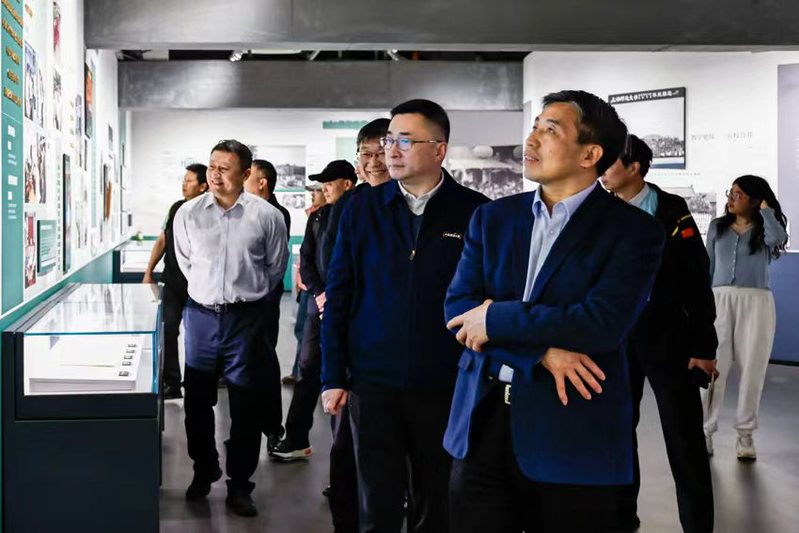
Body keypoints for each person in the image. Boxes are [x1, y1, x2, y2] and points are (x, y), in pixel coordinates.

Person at [443, 90, 665, 533]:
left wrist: (495, 318)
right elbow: (459, 309)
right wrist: (539, 353)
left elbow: (600, 324)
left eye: (550, 130)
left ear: (590, 154)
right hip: (483, 426)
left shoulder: (634, 231)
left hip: (572, 435)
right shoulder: (493, 218)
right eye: (534, 127)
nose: (531, 140)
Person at [321, 99, 489, 532]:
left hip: (445, 382)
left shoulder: (476, 211)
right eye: (388, 140)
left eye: (405, 141)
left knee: (437, 499)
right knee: (376, 500)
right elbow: (339, 296)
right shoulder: (359, 208)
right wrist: (333, 375)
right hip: (372, 382)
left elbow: (487, 299)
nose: (391, 151)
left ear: (439, 149)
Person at [601, 134, 717, 533]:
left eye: (611, 163)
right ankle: (622, 518)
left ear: (634, 168)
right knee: (618, 432)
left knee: (684, 436)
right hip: (616, 338)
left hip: (668, 339)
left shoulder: (672, 211)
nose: (602, 171)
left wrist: (704, 346)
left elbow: (696, 280)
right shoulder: (599, 211)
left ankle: (698, 524)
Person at [173, 140, 288, 517]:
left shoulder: (266, 216)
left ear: (245, 173)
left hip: (246, 319)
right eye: (212, 167)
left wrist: (244, 298)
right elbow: (186, 263)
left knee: (245, 404)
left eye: (224, 168)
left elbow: (275, 268)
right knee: (196, 401)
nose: (215, 175)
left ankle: (240, 484)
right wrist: (211, 295)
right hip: (201, 316)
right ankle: (204, 468)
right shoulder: (188, 214)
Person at [321, 117, 390, 533]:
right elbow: (333, 269)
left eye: (382, 152)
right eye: (366, 154)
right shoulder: (351, 205)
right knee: (348, 448)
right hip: (357, 349)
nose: (375, 162)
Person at [270, 160, 357, 462]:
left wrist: (336, 297)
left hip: (348, 308)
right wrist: (320, 294)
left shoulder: (358, 216)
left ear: (347, 184)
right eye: (324, 184)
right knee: (308, 369)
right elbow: (306, 259)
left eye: (330, 183)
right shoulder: (318, 217)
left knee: (348, 379)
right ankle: (296, 438)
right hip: (318, 307)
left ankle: (347, 457)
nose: (325, 189)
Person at [702, 175, 789, 460]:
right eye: (731, 192)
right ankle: (705, 430)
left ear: (754, 200)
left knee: (753, 370)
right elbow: (708, 266)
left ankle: (745, 436)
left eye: (739, 194)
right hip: (719, 300)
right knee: (713, 368)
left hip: (757, 302)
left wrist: (766, 211)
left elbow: (778, 239)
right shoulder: (717, 227)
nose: (731, 198)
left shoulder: (766, 229)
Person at [143, 163, 208, 400]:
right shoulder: (175, 208)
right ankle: (171, 382)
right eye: (184, 180)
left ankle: (197, 382)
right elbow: (162, 240)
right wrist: (149, 271)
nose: (184, 184)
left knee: (198, 335)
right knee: (169, 329)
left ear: (203, 186)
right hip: (172, 281)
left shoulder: (210, 211)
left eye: (189, 181)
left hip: (199, 284)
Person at [244, 158, 292, 452]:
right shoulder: (240, 210)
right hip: (241, 305)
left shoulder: (276, 214)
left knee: (264, 362)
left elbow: (275, 265)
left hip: (263, 302)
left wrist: (260, 290)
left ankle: (273, 428)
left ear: (262, 182)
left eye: (248, 177)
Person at [283, 184, 328, 386]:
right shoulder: (314, 217)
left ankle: (310, 376)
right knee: (302, 330)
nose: (313, 195)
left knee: (313, 334)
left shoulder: (331, 219)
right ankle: (299, 373)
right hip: (308, 286)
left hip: (318, 290)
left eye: (317, 191)